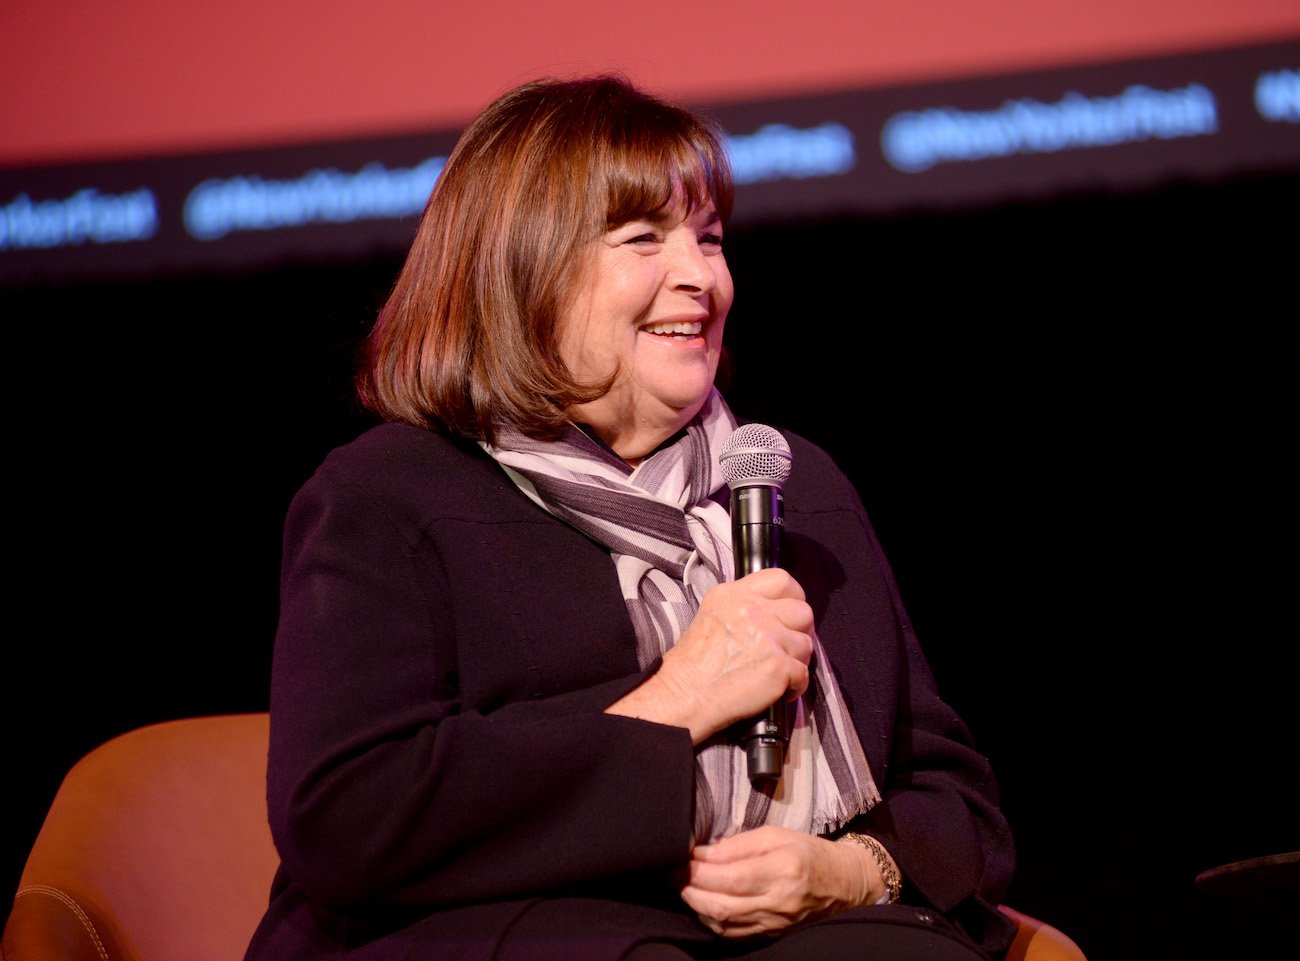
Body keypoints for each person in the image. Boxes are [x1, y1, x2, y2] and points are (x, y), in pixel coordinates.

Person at [243, 73, 1016, 961]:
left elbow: (957, 802)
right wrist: (677, 699)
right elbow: (346, 817)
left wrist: (847, 870)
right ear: (523, 271)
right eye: (645, 238)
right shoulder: (390, 496)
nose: (700, 277)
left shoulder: (794, 488)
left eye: (710, 238)